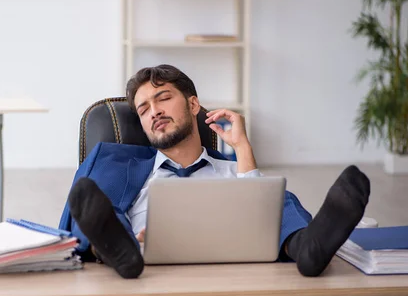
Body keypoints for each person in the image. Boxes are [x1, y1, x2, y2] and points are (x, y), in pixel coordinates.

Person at [59, 64, 370, 279]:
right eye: (143, 109)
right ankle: (120, 250)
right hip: (144, 264)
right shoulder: (121, 164)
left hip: (234, 272)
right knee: (96, 196)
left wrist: (243, 148)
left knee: (275, 197)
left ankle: (308, 248)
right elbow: (90, 212)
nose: (154, 112)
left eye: (163, 98)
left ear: (194, 105)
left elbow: (260, 215)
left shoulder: (234, 169)